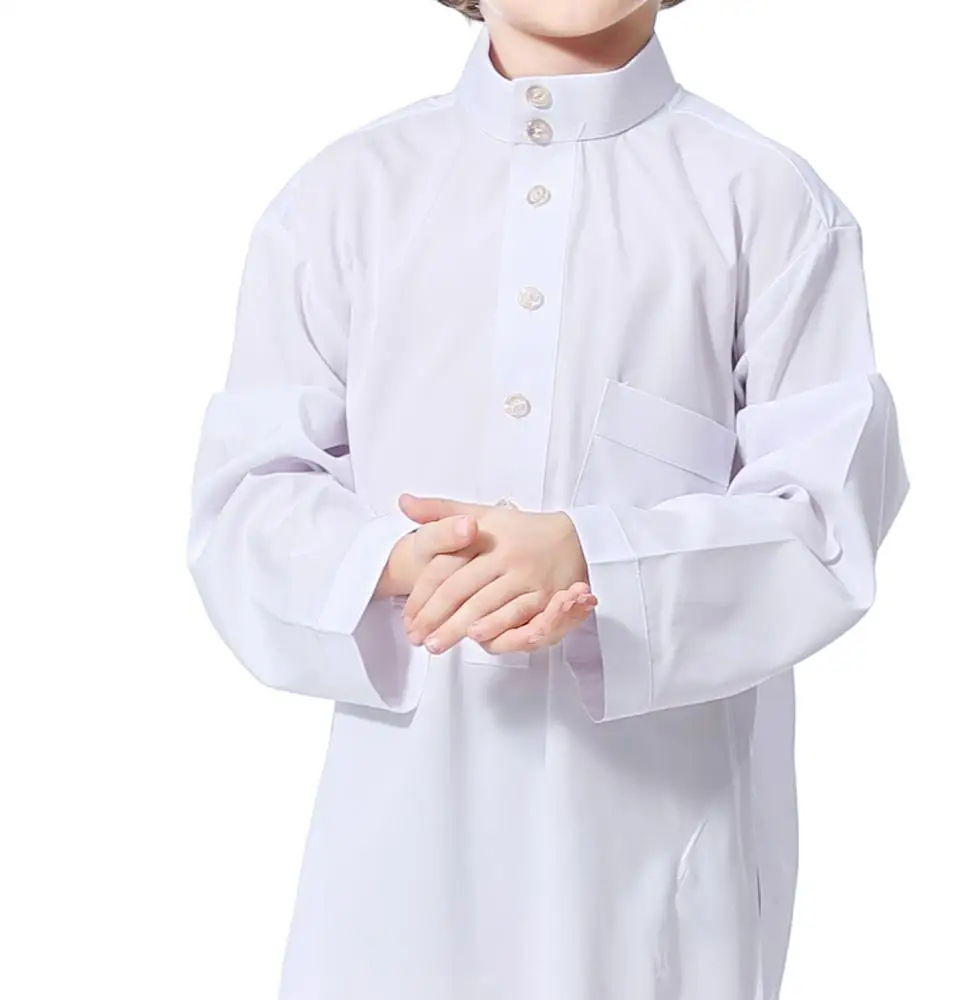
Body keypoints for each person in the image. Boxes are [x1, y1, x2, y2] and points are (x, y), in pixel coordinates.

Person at [185, 1, 908, 997]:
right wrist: (400, 562)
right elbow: (244, 504)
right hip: (399, 842)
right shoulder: (346, 198)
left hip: (654, 848)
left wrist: (585, 554)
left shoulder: (765, 201)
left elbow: (824, 519)